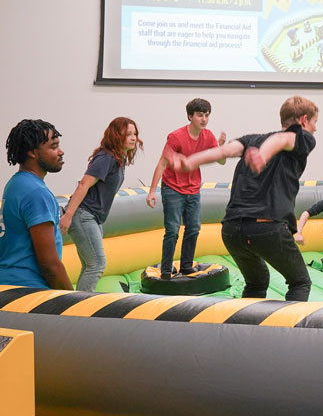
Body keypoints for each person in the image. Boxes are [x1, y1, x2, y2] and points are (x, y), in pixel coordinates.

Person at [166, 96, 318, 302]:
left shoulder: (250, 140)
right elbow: (283, 139)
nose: (315, 128)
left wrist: (189, 162)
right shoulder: (302, 137)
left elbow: (223, 151)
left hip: (231, 230)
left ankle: (245, 330)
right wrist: (263, 156)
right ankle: (289, 333)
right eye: (314, 122)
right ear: (304, 120)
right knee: (300, 282)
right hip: (268, 227)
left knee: (256, 282)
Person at [146, 98, 226, 280]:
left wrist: (221, 148)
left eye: (206, 115)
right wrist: (152, 191)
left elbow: (220, 161)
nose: (204, 119)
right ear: (190, 116)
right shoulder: (176, 137)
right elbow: (162, 163)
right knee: (173, 230)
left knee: (194, 228)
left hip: (193, 189)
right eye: (199, 115)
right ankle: (166, 270)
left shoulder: (208, 136)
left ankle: (186, 266)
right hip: (173, 188)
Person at [59, 118, 142, 292]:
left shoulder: (118, 159)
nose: (133, 138)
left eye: (135, 134)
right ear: (116, 135)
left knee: (90, 265)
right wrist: (68, 215)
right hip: (84, 214)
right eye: (128, 134)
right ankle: (81, 307)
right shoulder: (107, 158)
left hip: (93, 217)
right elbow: (83, 184)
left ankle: (79, 301)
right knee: (97, 264)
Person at [0, 120, 72, 290]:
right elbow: (49, 265)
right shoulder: (36, 193)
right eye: (53, 147)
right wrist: (73, 301)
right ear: (33, 152)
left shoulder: (15, 184)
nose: (61, 152)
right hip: (28, 290)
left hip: (8, 286)